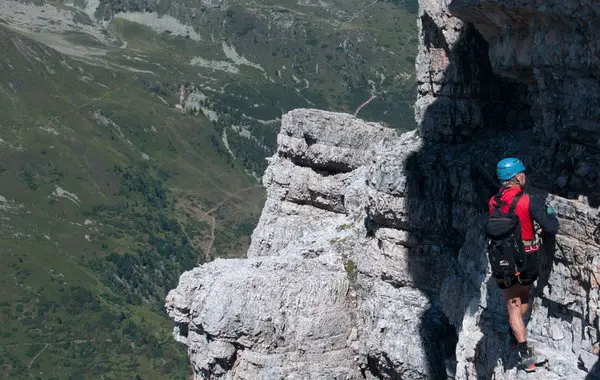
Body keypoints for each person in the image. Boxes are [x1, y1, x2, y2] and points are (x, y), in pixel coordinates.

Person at [486, 157, 559, 372]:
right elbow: (551, 227)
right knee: (521, 299)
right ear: (517, 176)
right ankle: (525, 353)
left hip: (502, 260)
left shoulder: (493, 202)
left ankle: (514, 332)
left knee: (514, 303)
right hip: (527, 259)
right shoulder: (528, 201)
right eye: (523, 173)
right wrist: (551, 214)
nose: (525, 176)